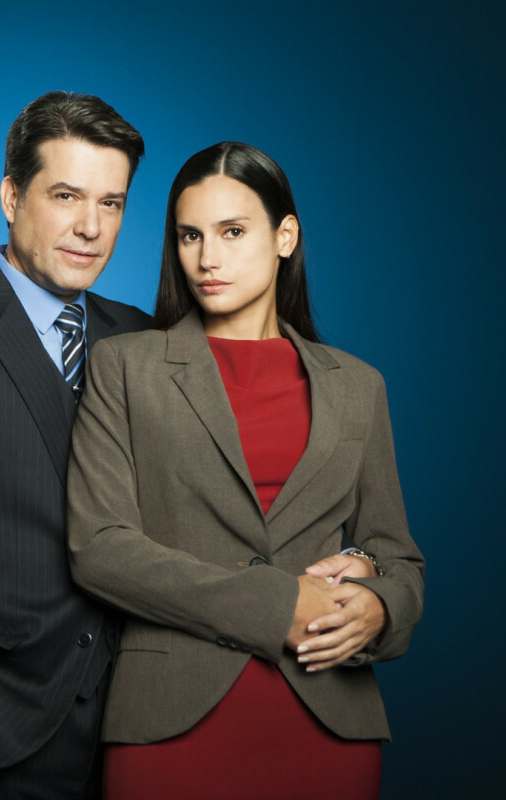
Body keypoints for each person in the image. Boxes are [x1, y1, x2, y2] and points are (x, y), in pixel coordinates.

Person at [67, 142, 425, 800]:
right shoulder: (124, 366)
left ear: (285, 236)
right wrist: (279, 605)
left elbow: (397, 557)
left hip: (329, 720)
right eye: (191, 236)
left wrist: (380, 607)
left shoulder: (358, 387)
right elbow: (100, 550)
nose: (208, 258)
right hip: (170, 720)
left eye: (232, 232)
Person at [0, 91, 152, 799]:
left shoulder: (144, 338)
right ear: (11, 196)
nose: (90, 227)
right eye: (67, 196)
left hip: (133, 725)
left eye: (111, 203)